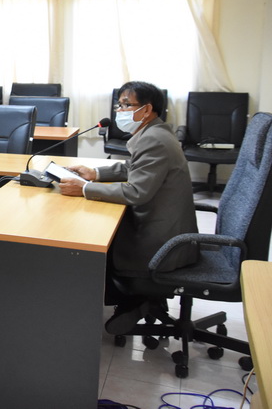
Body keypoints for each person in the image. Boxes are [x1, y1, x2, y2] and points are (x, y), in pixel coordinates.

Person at [58, 81, 199, 335]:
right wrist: (95, 173)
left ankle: (135, 301)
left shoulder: (155, 140)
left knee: (95, 243)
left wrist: (85, 188)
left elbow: (136, 192)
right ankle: (138, 299)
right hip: (166, 228)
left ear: (147, 109)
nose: (119, 110)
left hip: (163, 243)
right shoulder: (155, 133)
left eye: (126, 105)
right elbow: (133, 167)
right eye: (119, 104)